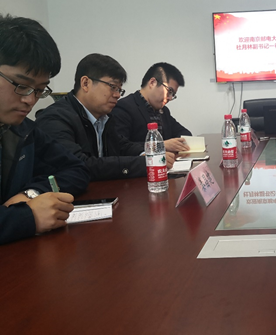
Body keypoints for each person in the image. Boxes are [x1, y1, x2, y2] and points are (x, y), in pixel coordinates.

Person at [0, 14, 89, 245]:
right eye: (21, 85)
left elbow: (77, 169)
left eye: (39, 90)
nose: (30, 100)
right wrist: (27, 217)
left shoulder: (23, 130)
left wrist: (30, 194)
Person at [36, 54, 175, 181]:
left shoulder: (105, 117)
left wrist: (150, 154)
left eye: (119, 90)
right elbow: (81, 165)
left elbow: (122, 146)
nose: (117, 95)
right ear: (85, 83)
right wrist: (145, 163)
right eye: (112, 87)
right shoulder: (55, 119)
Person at [111, 62, 191, 153]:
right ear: (152, 82)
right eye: (169, 91)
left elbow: (184, 134)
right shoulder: (125, 107)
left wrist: (178, 144)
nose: (169, 98)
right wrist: (160, 146)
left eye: (173, 95)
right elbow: (121, 146)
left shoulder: (163, 111)